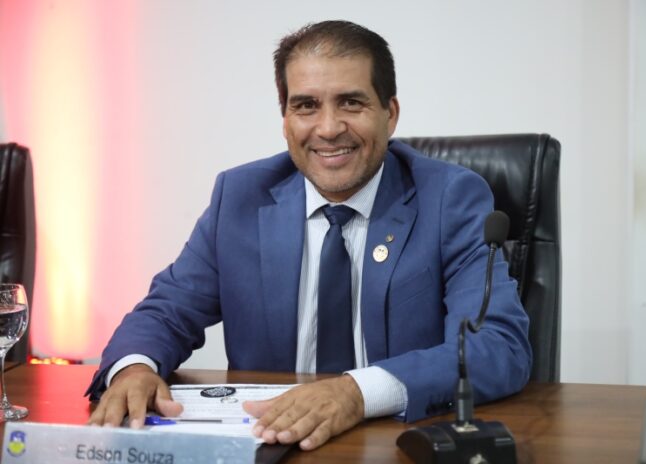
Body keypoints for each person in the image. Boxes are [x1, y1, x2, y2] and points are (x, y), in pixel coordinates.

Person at [86, 20, 532, 451]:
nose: (328, 127)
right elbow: (166, 312)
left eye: (351, 103)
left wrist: (356, 392)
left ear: (389, 114)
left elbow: (498, 346)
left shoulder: (448, 198)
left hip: (395, 444)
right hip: (271, 441)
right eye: (306, 106)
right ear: (285, 119)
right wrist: (133, 370)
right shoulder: (241, 198)